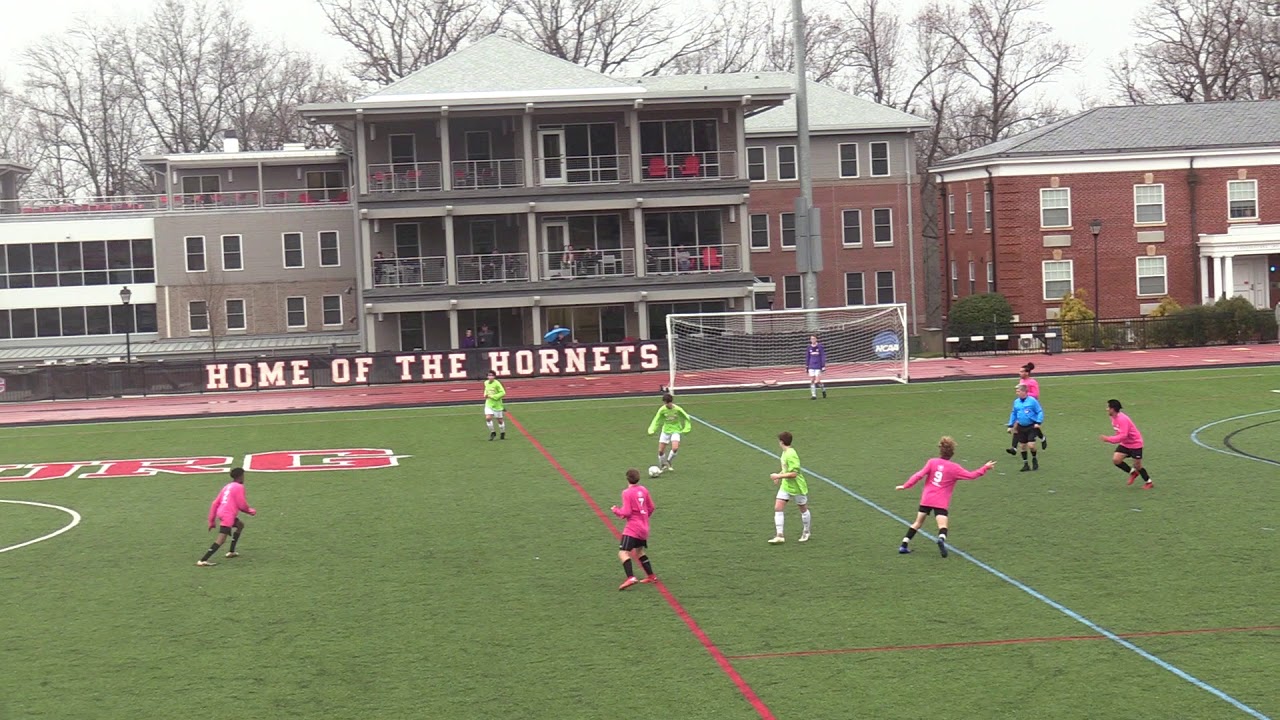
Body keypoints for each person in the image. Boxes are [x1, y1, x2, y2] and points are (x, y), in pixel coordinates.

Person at [896, 436, 995, 557]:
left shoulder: (932, 462)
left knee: (917, 523)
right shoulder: (955, 468)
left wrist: (906, 485)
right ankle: (941, 539)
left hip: (926, 499)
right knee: (942, 526)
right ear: (952, 453)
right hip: (940, 501)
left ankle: (904, 545)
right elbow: (971, 476)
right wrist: (985, 467)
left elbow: (919, 475)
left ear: (940, 450)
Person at [197, 467, 256, 566]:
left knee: (240, 525)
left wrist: (211, 521)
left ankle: (231, 552)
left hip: (222, 512)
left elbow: (215, 503)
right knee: (221, 539)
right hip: (228, 515)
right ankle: (203, 560)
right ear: (241, 476)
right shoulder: (239, 487)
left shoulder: (227, 486)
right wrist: (250, 511)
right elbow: (241, 504)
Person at [611, 468, 658, 590]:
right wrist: (643, 518)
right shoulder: (644, 490)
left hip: (633, 528)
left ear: (627, 478)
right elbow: (651, 507)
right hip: (644, 527)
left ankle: (631, 577)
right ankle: (651, 576)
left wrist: (616, 510)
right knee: (639, 552)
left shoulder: (627, 493)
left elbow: (626, 512)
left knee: (623, 552)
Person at [1099, 398, 1153, 489]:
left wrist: (1109, 439)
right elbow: (1119, 432)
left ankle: (1149, 482)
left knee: (1137, 465)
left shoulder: (1122, 419)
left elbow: (1123, 435)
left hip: (1135, 444)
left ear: (1113, 409)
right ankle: (1133, 473)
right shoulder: (1112, 417)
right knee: (1116, 460)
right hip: (1126, 444)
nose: (1106, 409)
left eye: (1108, 407)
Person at [769, 431, 811, 544]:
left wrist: (778, 476)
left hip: (797, 487)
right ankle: (779, 535)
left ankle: (806, 531)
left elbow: (794, 474)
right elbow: (787, 469)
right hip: (786, 485)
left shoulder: (791, 454)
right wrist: (779, 475)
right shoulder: (785, 452)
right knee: (778, 507)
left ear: (782, 442)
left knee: (803, 509)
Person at [647, 393, 691, 472]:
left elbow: (686, 417)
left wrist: (686, 428)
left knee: (675, 448)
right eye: (665, 403)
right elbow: (657, 420)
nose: (666, 404)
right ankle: (663, 465)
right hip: (666, 431)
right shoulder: (662, 410)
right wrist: (652, 429)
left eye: (667, 403)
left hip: (676, 430)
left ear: (671, 402)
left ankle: (669, 461)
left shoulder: (677, 409)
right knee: (660, 451)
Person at [1008, 362, 1045, 454]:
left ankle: (1042, 437)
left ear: (1027, 373)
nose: (1019, 373)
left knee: (1032, 425)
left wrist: (1025, 394)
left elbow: (1036, 395)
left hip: (1030, 406)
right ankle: (1014, 448)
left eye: (1021, 372)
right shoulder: (1022, 381)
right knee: (1017, 426)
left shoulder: (1032, 382)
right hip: (1021, 404)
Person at [1007, 384, 1043, 471]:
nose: (1017, 393)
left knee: (1031, 445)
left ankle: (1034, 459)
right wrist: (1010, 425)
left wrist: (1038, 422)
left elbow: (1039, 411)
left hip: (1031, 426)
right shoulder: (1016, 402)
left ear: (1024, 392)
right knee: (1022, 446)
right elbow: (1014, 413)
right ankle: (1026, 464)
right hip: (1021, 427)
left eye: (1018, 391)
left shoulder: (1032, 401)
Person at [483, 370, 506, 441]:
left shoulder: (497, 384)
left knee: (500, 421)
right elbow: (486, 390)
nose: (490, 377)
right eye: (489, 375)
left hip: (497, 405)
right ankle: (493, 432)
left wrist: (493, 396)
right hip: (489, 404)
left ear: (494, 376)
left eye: (492, 375)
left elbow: (503, 392)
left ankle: (502, 432)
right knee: (488, 418)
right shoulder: (486, 383)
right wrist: (485, 395)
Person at [806, 335, 826, 400]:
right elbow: (807, 357)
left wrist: (823, 366)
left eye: (814, 338)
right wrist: (807, 366)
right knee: (812, 380)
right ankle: (814, 395)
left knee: (817, 381)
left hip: (818, 366)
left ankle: (823, 388)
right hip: (811, 366)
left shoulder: (820, 347)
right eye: (811, 339)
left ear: (816, 339)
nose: (812, 340)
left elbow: (822, 356)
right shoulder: (809, 347)